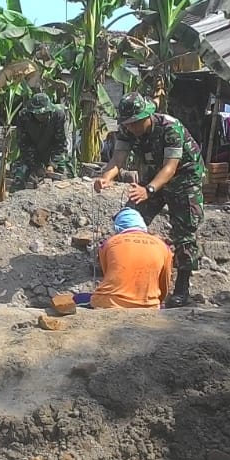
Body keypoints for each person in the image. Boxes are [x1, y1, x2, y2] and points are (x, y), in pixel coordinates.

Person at [94, 93, 205, 308]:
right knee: (130, 216)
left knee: (184, 231)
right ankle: (123, 271)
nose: (133, 127)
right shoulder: (127, 128)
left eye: (137, 122)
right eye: (129, 123)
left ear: (148, 115)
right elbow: (118, 159)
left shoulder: (170, 128)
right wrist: (105, 177)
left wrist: (149, 189)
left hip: (184, 177)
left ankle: (182, 288)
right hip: (152, 175)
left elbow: (170, 167)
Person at [91, 208, 174, 309]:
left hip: (109, 303)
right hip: (148, 305)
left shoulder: (107, 244)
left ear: (117, 228)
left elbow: (107, 273)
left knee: (78, 299)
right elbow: (164, 284)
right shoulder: (163, 247)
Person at [10, 92, 74, 191]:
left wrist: (52, 164)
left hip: (53, 153)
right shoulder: (24, 116)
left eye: (44, 113)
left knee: (69, 177)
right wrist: (36, 165)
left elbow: (60, 144)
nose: (41, 116)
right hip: (32, 153)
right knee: (18, 177)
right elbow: (24, 144)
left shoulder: (58, 115)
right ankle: (13, 200)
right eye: (38, 114)